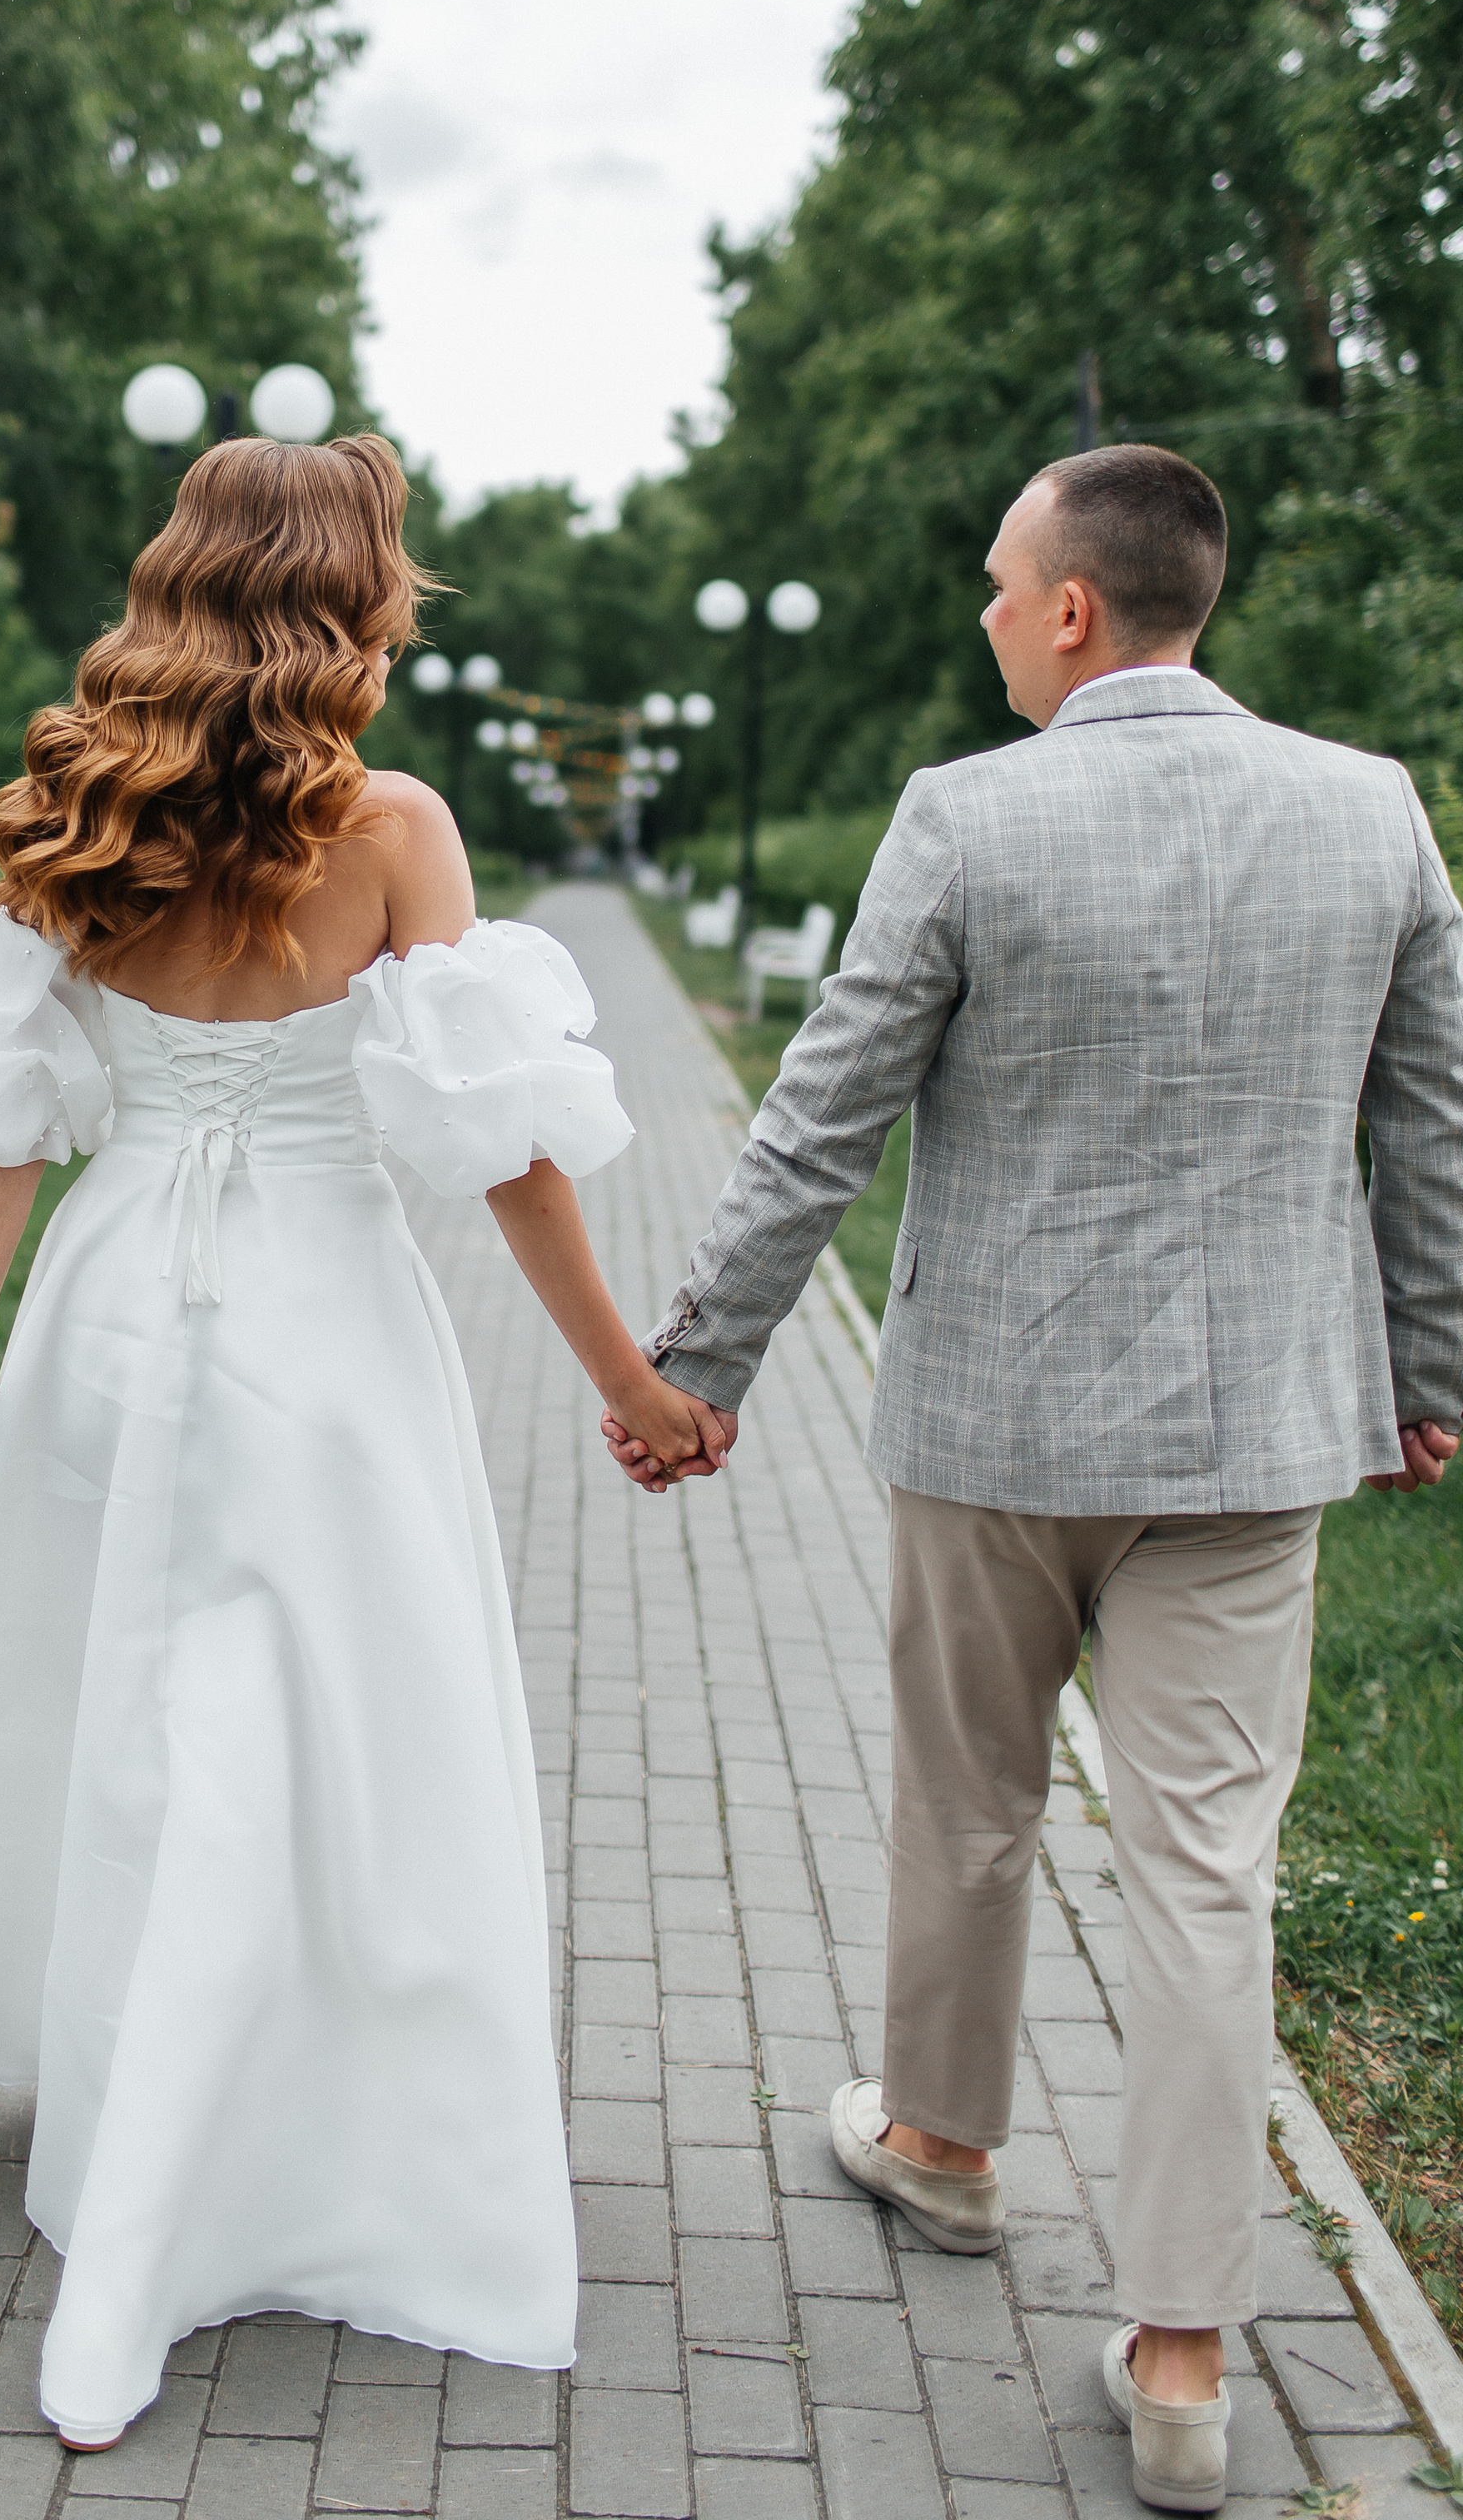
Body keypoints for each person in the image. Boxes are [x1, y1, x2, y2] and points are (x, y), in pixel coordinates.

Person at [0, 432, 726, 2452]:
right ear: (351, 598)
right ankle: (211, 2167)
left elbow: (1, 1129)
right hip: (321, 1335)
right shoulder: (390, 828)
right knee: (291, 1722)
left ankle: (147, 2110)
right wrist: (626, 1387)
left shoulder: (77, 802)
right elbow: (508, 1162)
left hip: (112, 1314)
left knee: (133, 1709)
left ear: (180, 579)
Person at [608, 445, 1463, 2516]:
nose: (983, 614)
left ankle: (944, 2149)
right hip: (1250, 1442)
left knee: (968, 1808)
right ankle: (1183, 2352)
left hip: (992, 1427)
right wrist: (1428, 1370)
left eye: (998, 586)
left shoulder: (964, 819)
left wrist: (689, 1367)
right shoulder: (1371, 811)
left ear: (1073, 609)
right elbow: (1431, 1120)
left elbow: (825, 1113)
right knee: (1202, 1870)